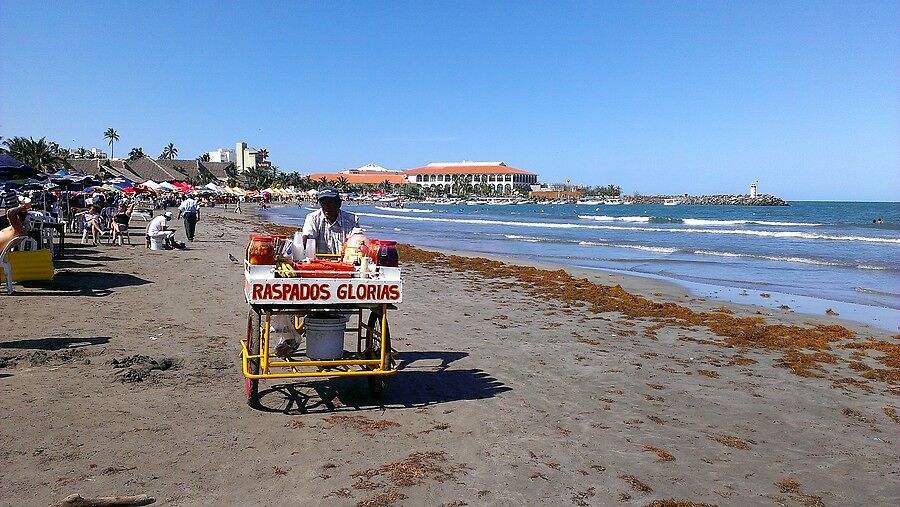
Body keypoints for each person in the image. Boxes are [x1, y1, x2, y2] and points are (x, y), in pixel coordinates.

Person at [301, 187, 359, 255]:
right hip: (319, 263)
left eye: (330, 203)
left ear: (339, 204)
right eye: (323, 203)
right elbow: (308, 237)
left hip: (344, 262)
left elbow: (356, 243)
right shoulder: (313, 218)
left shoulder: (352, 219)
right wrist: (303, 241)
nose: (326, 207)